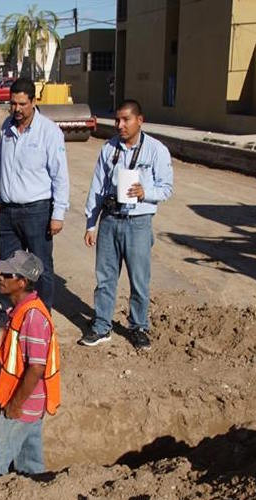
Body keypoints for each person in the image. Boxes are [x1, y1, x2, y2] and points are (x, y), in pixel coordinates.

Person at [80, 99, 173, 350]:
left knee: (139, 278)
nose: (120, 125)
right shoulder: (109, 149)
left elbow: (167, 188)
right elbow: (97, 187)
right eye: (117, 120)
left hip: (138, 222)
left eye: (125, 120)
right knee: (105, 277)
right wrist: (91, 223)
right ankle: (101, 326)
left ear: (139, 121)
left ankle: (139, 326)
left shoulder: (156, 150)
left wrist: (146, 192)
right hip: (110, 219)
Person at [0, 78, 70, 333]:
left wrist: (58, 214)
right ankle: (11, 316)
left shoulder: (49, 132)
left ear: (34, 102)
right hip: (8, 213)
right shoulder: (7, 127)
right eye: (13, 103)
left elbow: (60, 176)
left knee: (39, 268)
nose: (17, 109)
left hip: (37, 211)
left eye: (22, 104)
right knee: (10, 267)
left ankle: (41, 319)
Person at [0, 250, 61, 478]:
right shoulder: (21, 311)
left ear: (22, 281)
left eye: (7, 274)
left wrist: (15, 405)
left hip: (24, 403)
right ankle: (35, 495)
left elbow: (36, 367)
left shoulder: (33, 317)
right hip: (32, 402)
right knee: (30, 460)